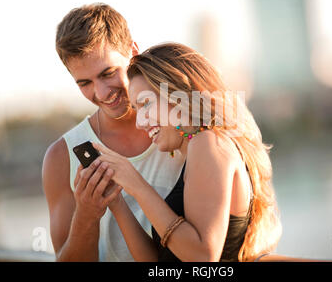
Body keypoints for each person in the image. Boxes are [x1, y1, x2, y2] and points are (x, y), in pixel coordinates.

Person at [91, 42, 282, 261]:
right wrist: (116, 199)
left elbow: (202, 257)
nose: (140, 122)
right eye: (136, 109)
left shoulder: (208, 143)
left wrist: (136, 184)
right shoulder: (200, 147)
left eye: (145, 104)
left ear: (178, 94)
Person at [42, 4, 185, 261]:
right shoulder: (60, 158)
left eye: (108, 73)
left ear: (133, 51)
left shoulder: (181, 125)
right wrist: (86, 216)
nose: (102, 93)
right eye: (84, 83)